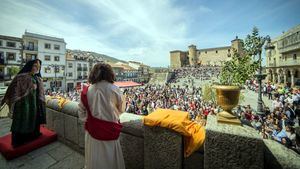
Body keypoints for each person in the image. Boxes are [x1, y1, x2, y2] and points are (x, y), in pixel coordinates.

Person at [78, 63, 125, 169]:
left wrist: (93, 120)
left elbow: (81, 113)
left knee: (94, 160)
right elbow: (121, 110)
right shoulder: (115, 89)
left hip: (93, 132)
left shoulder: (87, 90)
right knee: (111, 160)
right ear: (110, 74)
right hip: (110, 131)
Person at [1, 59, 46, 147]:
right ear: (30, 66)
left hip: (34, 103)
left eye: (38, 67)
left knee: (33, 119)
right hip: (22, 103)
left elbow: (39, 92)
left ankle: (33, 135)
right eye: (35, 66)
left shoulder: (37, 78)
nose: (37, 68)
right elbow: (12, 88)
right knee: (22, 121)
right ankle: (18, 141)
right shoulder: (21, 77)